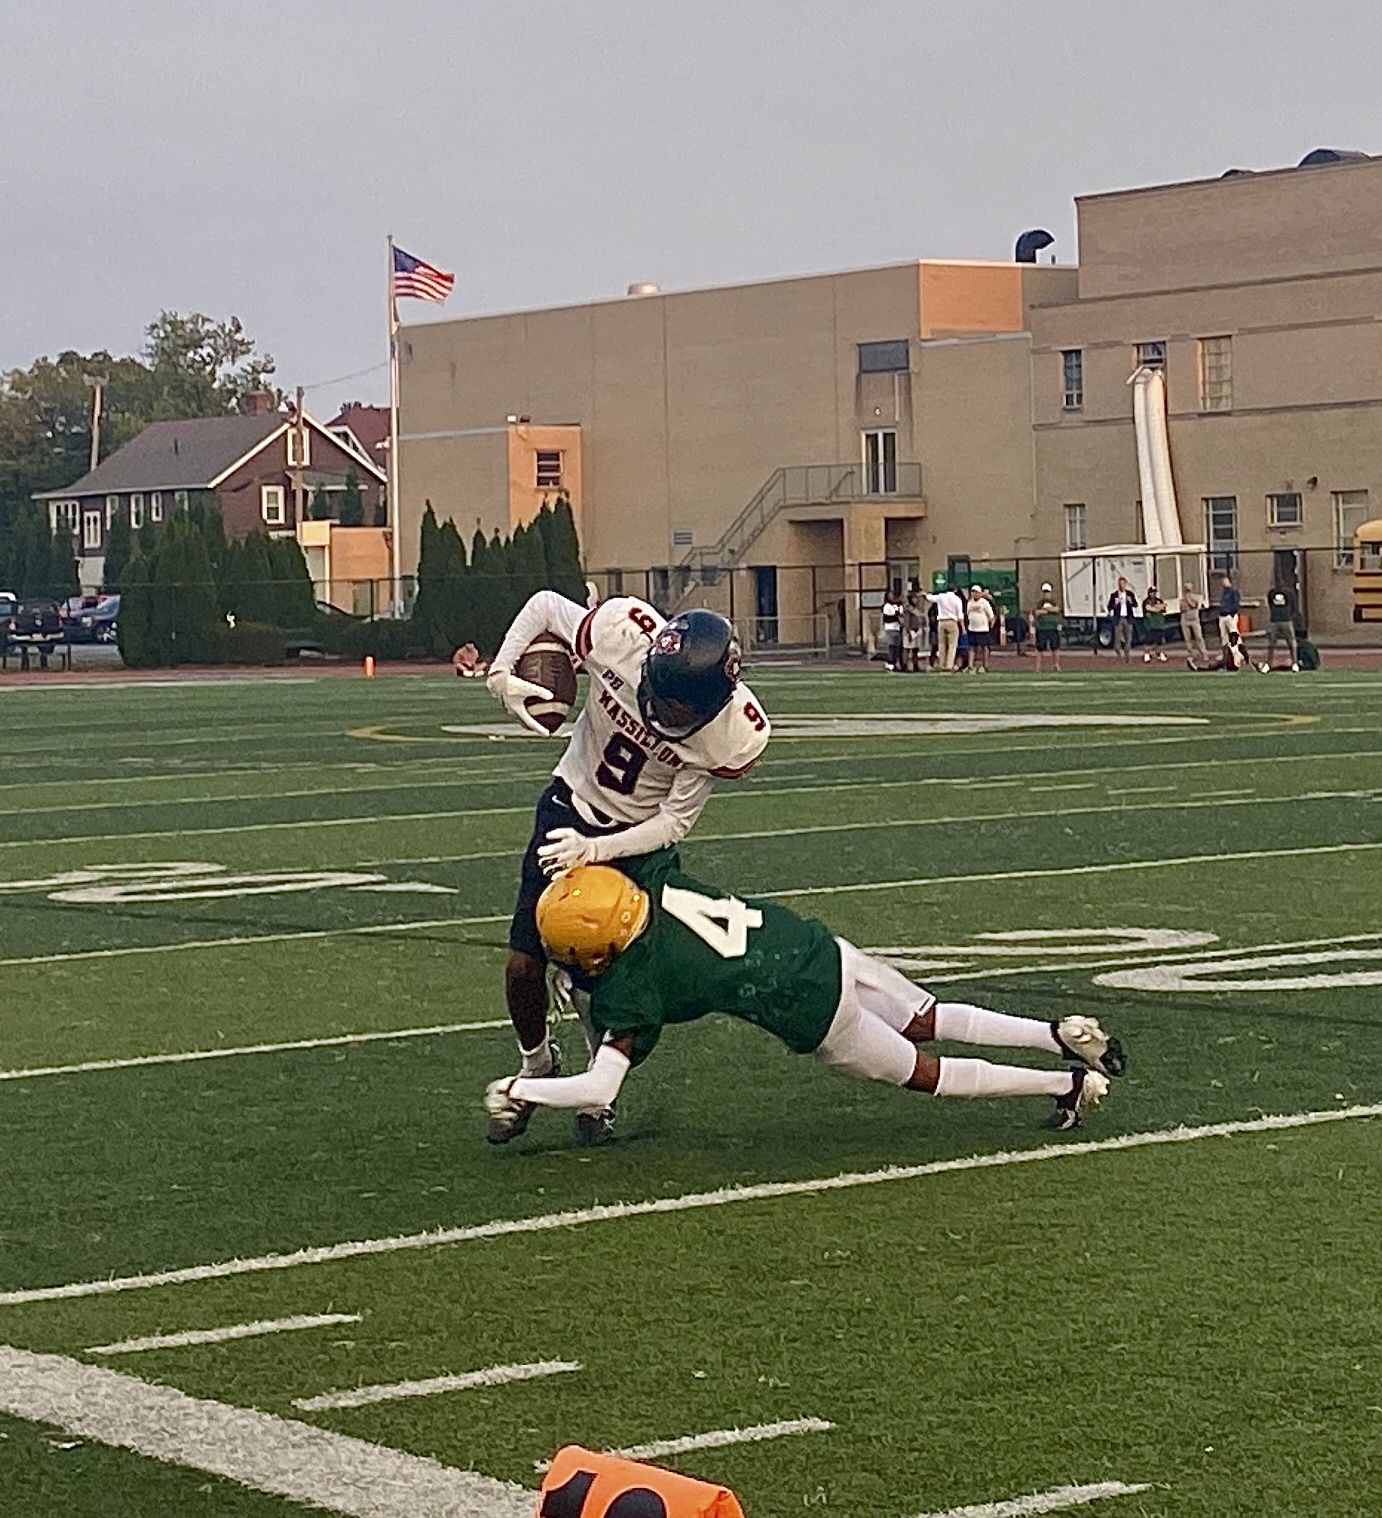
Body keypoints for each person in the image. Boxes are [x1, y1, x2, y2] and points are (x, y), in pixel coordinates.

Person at [484, 860, 1126, 1143]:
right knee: (927, 1017)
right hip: (819, 947)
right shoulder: (652, 881)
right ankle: (1054, 1034)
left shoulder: (633, 985)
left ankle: (1065, 1084)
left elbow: (600, 1087)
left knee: (925, 1073)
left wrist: (522, 1088)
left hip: (806, 1006)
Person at [485, 593, 771, 1145]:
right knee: (522, 965)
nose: (663, 713)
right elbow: (545, 606)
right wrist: (501, 673)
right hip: (569, 805)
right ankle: (536, 1065)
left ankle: (596, 1090)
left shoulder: (731, 731)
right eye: (659, 695)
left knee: (606, 983)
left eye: (680, 710)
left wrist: (595, 851)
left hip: (635, 844)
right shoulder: (621, 635)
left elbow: (672, 824)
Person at [926, 583, 965, 671]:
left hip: (941, 622)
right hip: (952, 621)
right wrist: (963, 627)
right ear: (955, 590)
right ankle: (949, 665)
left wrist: (924, 593)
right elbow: (960, 615)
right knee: (952, 645)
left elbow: (929, 598)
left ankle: (942, 664)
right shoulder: (957, 599)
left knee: (942, 644)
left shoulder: (941, 597)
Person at [1263, 584, 1300, 671]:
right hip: (1276, 620)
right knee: (1272, 643)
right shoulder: (1272, 593)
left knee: (1291, 642)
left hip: (1285, 620)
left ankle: (1295, 662)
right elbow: (1270, 604)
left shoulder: (1288, 593)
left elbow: (1294, 606)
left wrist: (1289, 616)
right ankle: (1268, 663)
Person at [1032, 583, 1063, 672]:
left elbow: (1056, 609)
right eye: (1045, 592)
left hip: (1053, 627)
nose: (1046, 594)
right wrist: (1049, 610)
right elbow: (1036, 612)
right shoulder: (1040, 603)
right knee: (1040, 648)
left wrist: (1046, 610)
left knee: (1055, 647)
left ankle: (1056, 665)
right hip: (1042, 628)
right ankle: (1038, 667)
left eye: (1048, 592)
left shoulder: (1054, 602)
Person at [1107, 576, 1138, 664]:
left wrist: (1131, 601)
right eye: (1120, 584)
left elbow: (1135, 605)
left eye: (1123, 584)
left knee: (1129, 637)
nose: (1122, 586)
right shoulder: (1114, 595)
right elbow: (1109, 607)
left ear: (1125, 584)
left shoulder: (1130, 594)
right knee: (1117, 637)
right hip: (1118, 618)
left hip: (1127, 618)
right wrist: (1115, 603)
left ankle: (1127, 655)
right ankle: (1118, 655)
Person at [965, 584, 995, 672]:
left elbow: (991, 616)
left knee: (984, 647)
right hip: (972, 628)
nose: (975, 594)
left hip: (983, 629)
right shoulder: (969, 603)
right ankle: (970, 666)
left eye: (976, 592)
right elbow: (968, 614)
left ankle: (985, 666)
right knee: (971, 647)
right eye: (973, 592)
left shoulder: (984, 603)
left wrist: (991, 627)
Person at [1179, 583, 1209, 668]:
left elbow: (1195, 605)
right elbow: (1182, 608)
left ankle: (1204, 653)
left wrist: (1188, 600)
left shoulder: (1196, 597)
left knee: (1198, 637)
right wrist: (1185, 602)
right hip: (1185, 619)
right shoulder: (1182, 598)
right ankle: (1191, 654)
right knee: (1187, 639)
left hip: (1194, 619)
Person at [1141, 586, 1168, 662]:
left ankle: (1160, 653)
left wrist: (1156, 607)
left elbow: (1163, 607)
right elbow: (1148, 608)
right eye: (1152, 592)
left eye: (1154, 592)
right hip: (1150, 625)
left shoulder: (1159, 600)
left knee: (1160, 641)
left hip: (1159, 624)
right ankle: (1147, 654)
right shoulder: (1146, 601)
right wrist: (1157, 607)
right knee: (1148, 641)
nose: (1153, 594)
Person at [877, 592, 903, 671]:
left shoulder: (898, 605)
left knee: (897, 646)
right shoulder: (887, 606)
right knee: (891, 645)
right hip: (890, 628)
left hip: (897, 628)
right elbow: (887, 618)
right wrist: (897, 617)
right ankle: (890, 662)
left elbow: (901, 614)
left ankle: (895, 662)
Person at [900, 592, 924, 672]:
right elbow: (906, 621)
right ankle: (904, 665)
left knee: (915, 649)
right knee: (906, 649)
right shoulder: (908, 609)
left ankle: (915, 665)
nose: (916, 600)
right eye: (914, 598)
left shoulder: (917, 608)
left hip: (917, 630)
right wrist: (909, 631)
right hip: (909, 630)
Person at [1217, 574, 1241, 652]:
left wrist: (1232, 613)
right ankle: (1226, 652)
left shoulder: (1234, 592)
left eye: (1225, 581)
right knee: (1223, 636)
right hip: (1222, 615)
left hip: (1230, 615)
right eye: (1223, 581)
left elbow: (1236, 603)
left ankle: (1238, 651)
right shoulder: (1224, 592)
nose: (1223, 583)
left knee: (1233, 633)